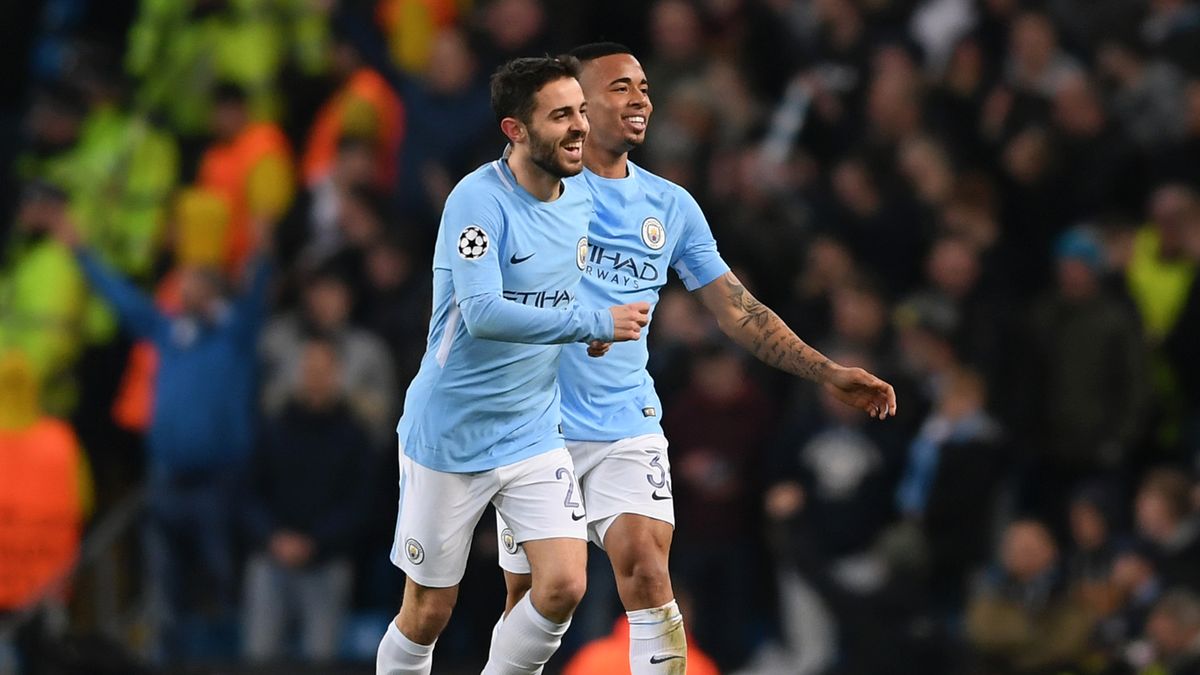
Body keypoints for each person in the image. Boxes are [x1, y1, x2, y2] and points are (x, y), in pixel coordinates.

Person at [496, 43, 896, 674]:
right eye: (620, 88)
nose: (640, 100)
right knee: (543, 596)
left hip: (624, 422)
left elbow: (737, 309)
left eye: (645, 88)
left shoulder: (670, 206)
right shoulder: (521, 189)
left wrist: (827, 371)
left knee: (651, 575)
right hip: (534, 424)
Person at [374, 55, 650, 675]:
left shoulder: (583, 199)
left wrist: (589, 325)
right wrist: (591, 323)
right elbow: (483, 313)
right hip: (451, 433)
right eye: (560, 116)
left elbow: (563, 281)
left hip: (532, 429)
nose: (580, 126)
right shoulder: (477, 201)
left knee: (562, 588)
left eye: (581, 110)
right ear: (515, 130)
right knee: (427, 613)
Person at [241, 337, 374, 663]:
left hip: (327, 563)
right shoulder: (273, 428)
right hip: (271, 559)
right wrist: (273, 537)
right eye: (309, 370)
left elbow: (362, 504)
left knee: (320, 660)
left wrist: (315, 542)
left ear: (337, 375)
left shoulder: (355, 436)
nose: (315, 378)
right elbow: (247, 493)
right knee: (258, 658)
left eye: (323, 371)